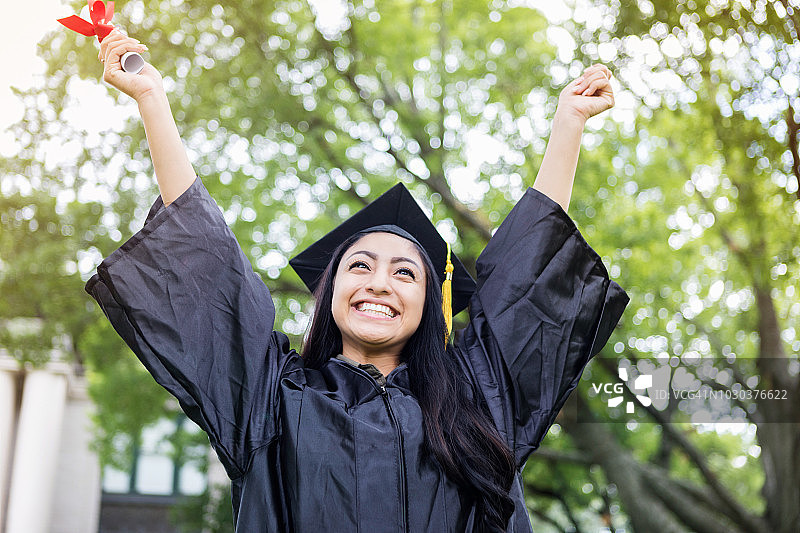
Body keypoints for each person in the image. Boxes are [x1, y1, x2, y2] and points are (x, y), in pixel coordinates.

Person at [85, 29, 629, 533]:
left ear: (429, 303)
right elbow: (208, 268)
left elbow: (526, 279)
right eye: (360, 266)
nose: (379, 284)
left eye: (405, 272)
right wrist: (152, 99)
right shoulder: (271, 398)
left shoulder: (477, 401)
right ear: (332, 294)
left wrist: (568, 125)